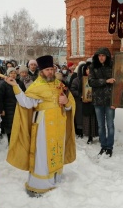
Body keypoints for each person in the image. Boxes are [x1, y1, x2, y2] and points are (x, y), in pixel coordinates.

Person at [5, 55, 76, 197]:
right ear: (41, 71)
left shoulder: (59, 85)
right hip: (43, 125)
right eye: (47, 70)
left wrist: (66, 101)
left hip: (59, 124)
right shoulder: (36, 86)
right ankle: (41, 184)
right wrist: (15, 86)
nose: (50, 72)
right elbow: (26, 103)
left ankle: (55, 179)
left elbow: (69, 107)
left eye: (52, 69)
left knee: (57, 151)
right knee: (43, 154)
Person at [88, 47, 116, 157]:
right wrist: (105, 81)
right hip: (98, 101)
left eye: (103, 55)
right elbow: (91, 82)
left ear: (107, 57)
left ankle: (110, 147)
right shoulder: (93, 67)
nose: (101, 58)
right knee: (100, 125)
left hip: (110, 100)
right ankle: (103, 146)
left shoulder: (113, 66)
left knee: (110, 125)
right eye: (99, 56)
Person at [0, 67, 26, 143]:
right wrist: (1, 109)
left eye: (14, 73)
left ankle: (18, 142)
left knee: (18, 125)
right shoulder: (3, 84)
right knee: (9, 126)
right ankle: (11, 143)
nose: (13, 75)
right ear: (8, 74)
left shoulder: (20, 83)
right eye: (11, 73)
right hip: (7, 109)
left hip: (18, 107)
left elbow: (24, 94)